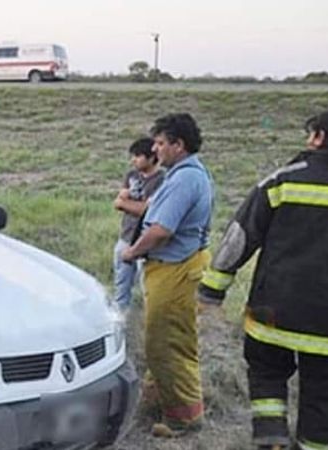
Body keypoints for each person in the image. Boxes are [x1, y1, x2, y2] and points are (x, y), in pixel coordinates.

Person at [198, 108, 328, 450]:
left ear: (318, 137)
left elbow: (239, 235)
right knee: (326, 396)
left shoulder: (284, 179)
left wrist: (212, 289)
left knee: (266, 376)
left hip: (272, 311)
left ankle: (272, 443)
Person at [121, 113, 214, 437]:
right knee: (167, 339)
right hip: (175, 267)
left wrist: (132, 252)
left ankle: (183, 419)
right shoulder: (183, 174)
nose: (155, 149)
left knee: (166, 344)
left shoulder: (185, 179)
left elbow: (161, 230)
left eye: (161, 143)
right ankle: (155, 400)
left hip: (175, 269)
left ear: (179, 144)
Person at [112, 137, 164, 309]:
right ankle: (120, 322)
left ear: (151, 157)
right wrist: (130, 204)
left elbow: (148, 211)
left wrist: (125, 204)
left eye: (138, 156)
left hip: (147, 242)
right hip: (126, 237)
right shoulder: (131, 176)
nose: (133, 160)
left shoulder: (161, 180)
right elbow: (118, 200)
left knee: (147, 287)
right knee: (121, 286)